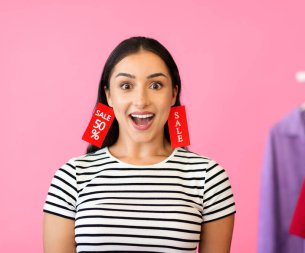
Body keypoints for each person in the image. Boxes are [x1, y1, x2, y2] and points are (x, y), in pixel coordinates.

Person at [43, 36, 236, 253]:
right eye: (126, 85)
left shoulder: (208, 177)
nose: (141, 100)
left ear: (173, 94)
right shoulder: (72, 176)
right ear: (109, 95)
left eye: (156, 85)